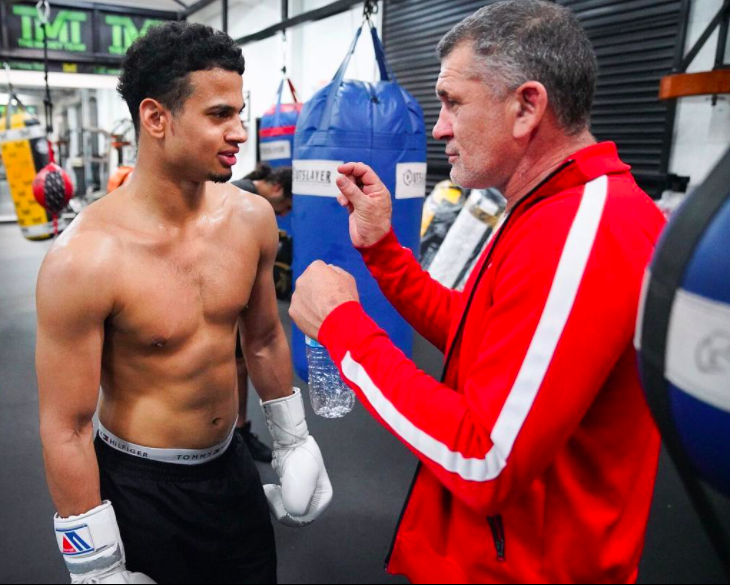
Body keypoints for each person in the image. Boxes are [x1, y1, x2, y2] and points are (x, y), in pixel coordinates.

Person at [289, 1, 666, 583]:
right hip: (488, 553)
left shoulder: (584, 231)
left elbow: (484, 458)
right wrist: (385, 253)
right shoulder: (544, 208)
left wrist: (344, 329)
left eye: (452, 102)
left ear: (526, 107)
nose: (439, 127)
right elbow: (480, 334)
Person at [36, 22, 331, 585]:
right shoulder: (85, 260)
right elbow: (66, 426)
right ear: (156, 118)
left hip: (232, 469)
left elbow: (264, 339)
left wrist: (293, 441)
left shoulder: (252, 220)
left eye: (240, 114)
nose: (240, 133)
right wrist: (94, 565)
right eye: (220, 115)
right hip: (141, 488)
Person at [231, 163, 294, 462]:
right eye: (286, 206)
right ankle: (235, 432)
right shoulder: (244, 199)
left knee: (241, 363)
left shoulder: (243, 195)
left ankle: (238, 430)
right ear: (277, 188)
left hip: (236, 294)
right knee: (237, 364)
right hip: (228, 295)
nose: (283, 214)